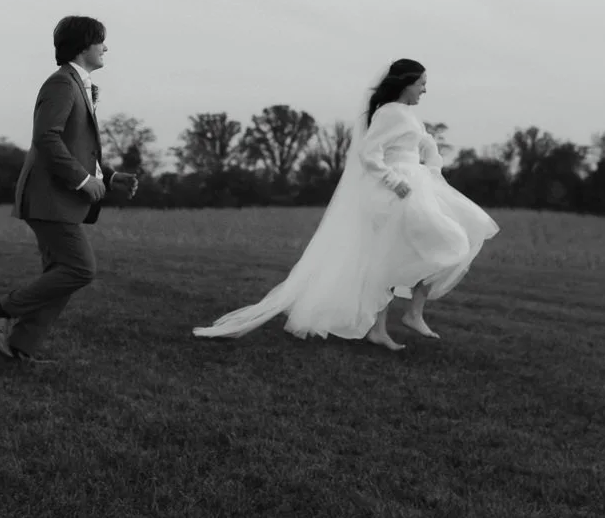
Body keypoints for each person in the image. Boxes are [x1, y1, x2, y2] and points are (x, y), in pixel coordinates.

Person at [193, 58, 499, 350]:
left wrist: (432, 168)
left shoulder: (407, 115)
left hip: (416, 185)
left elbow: (425, 143)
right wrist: (395, 181)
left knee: (443, 243)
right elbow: (369, 154)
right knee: (424, 248)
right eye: (422, 83)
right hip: (396, 193)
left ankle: (410, 314)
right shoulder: (390, 112)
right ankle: (390, 325)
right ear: (406, 83)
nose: (425, 90)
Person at [0, 15, 138, 364]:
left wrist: (107, 178)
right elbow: (46, 138)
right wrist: (81, 180)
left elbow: (76, 145)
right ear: (83, 45)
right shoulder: (62, 84)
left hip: (56, 199)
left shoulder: (78, 84)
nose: (106, 47)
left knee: (61, 275)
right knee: (79, 269)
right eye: (101, 41)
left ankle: (20, 348)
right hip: (48, 198)